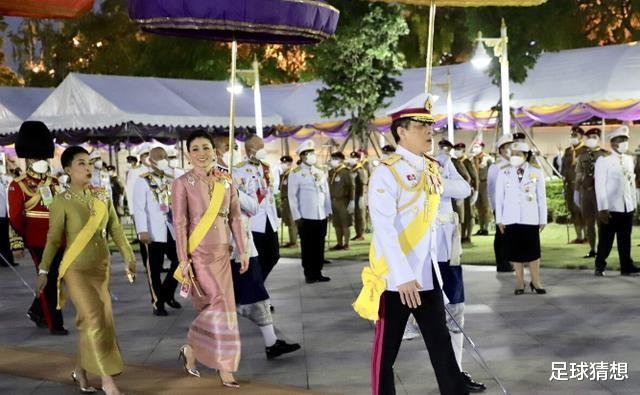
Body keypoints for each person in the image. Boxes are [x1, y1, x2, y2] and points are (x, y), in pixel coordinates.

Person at [353, 101, 468, 395]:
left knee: (441, 345)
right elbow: (384, 228)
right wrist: (402, 275)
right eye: (420, 127)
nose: (429, 132)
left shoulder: (430, 167)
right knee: (386, 354)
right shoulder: (386, 172)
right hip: (395, 279)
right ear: (401, 132)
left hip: (426, 275)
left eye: (430, 126)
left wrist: (447, 169)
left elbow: (455, 194)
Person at [36, 145, 136, 395]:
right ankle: (107, 380)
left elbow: (115, 229)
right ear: (68, 169)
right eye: (81, 163)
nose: (88, 167)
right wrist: (44, 270)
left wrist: (128, 255)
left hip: (101, 267)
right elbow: (52, 238)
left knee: (101, 320)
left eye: (89, 162)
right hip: (76, 268)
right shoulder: (61, 201)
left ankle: (81, 370)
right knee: (93, 318)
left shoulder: (102, 195)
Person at [172, 130, 248, 387]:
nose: (201, 153)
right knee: (217, 304)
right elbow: (180, 223)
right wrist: (183, 259)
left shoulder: (225, 180)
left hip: (223, 254)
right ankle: (213, 361)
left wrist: (243, 249)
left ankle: (212, 361)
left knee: (225, 310)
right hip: (199, 256)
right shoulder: (182, 183)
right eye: (195, 149)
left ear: (214, 151)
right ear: (188, 154)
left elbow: (236, 216)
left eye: (206, 147)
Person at [436, 137, 487, 393]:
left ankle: (454, 373)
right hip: (416, 260)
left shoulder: (442, 162)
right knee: (406, 326)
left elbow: (464, 189)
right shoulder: (397, 168)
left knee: (455, 314)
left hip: (447, 252)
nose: (428, 135)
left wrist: (437, 183)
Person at [8, 121, 67, 335]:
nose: (40, 161)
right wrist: (17, 243)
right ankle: (55, 323)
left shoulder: (54, 182)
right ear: (28, 158)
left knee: (59, 277)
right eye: (36, 157)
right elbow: (14, 218)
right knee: (50, 281)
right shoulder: (18, 184)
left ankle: (37, 310)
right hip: (36, 239)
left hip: (59, 237)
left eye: (42, 157)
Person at [133, 146, 181, 316]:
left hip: (170, 228)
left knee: (180, 262)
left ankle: (167, 293)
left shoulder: (170, 178)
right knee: (154, 268)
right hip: (152, 231)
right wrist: (142, 230)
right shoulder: (143, 180)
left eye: (165, 156)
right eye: (159, 157)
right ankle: (157, 302)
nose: (163, 160)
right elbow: (139, 208)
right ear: (151, 161)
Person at [495, 142, 547, 295]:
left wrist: (542, 218)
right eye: (513, 153)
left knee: (533, 252)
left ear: (526, 156)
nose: (515, 157)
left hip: (530, 218)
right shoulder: (503, 172)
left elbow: (541, 197)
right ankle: (519, 282)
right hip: (511, 218)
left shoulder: (536, 172)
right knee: (515, 251)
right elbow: (499, 198)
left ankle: (536, 281)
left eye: (519, 154)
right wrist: (499, 220)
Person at [594, 126, 640, 276]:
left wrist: (634, 202)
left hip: (626, 206)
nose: (625, 143)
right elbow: (599, 186)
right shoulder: (604, 160)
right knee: (606, 240)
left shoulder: (628, 159)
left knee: (625, 239)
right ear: (613, 142)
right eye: (621, 140)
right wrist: (602, 208)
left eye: (626, 140)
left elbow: (630, 182)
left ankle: (626, 265)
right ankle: (600, 265)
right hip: (611, 207)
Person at [235, 135, 280, 280]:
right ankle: (258, 294)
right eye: (259, 147)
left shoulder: (265, 167)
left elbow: (269, 195)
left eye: (263, 146)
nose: (263, 150)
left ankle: (258, 287)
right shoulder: (239, 170)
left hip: (268, 220)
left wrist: (275, 218)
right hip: (253, 221)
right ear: (249, 150)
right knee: (256, 260)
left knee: (273, 255)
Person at [288, 140, 332, 284]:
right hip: (305, 216)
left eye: (312, 153)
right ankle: (309, 273)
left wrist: (328, 210)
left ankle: (318, 272)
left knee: (319, 245)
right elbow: (292, 197)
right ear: (301, 157)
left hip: (320, 215)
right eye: (307, 154)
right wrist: (297, 216)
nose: (311, 156)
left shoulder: (319, 171)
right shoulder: (296, 173)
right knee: (308, 246)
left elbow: (326, 193)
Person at [575, 128, 608, 259]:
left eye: (594, 137)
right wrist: (576, 192)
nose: (591, 140)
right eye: (589, 137)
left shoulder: (604, 155)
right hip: (586, 193)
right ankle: (592, 249)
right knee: (589, 222)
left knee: (601, 222)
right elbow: (578, 174)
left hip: (599, 193)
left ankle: (602, 248)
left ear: (599, 139)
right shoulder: (582, 155)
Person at [487, 135, 514, 273]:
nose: (511, 149)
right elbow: (491, 188)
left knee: (509, 235)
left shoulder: (514, 165)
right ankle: (502, 263)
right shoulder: (496, 167)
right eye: (508, 147)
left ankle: (508, 261)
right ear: (502, 150)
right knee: (501, 235)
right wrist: (495, 207)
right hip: (501, 206)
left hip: (511, 205)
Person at [560, 126, 588, 244]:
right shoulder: (567, 151)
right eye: (571, 135)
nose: (573, 137)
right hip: (569, 186)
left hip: (582, 187)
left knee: (584, 211)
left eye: (575, 135)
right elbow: (563, 168)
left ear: (581, 137)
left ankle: (587, 236)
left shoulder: (586, 150)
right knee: (573, 211)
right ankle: (579, 237)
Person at [328, 152, 355, 250]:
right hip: (333, 200)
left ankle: (346, 244)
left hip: (343, 200)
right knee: (336, 224)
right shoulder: (331, 172)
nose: (333, 160)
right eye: (332, 158)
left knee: (345, 223)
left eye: (335, 158)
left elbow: (352, 187)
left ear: (341, 160)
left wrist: (352, 201)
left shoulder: (346, 172)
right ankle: (339, 243)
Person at [452, 143, 478, 243]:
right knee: (462, 214)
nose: (456, 151)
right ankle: (463, 236)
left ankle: (469, 236)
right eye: (456, 149)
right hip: (460, 191)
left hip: (468, 191)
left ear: (463, 150)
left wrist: (476, 191)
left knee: (470, 214)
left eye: (458, 149)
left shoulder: (467, 161)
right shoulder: (455, 161)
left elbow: (475, 177)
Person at [471, 142, 492, 236]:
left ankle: (486, 228)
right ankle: (481, 227)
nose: (475, 148)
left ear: (482, 147)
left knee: (486, 206)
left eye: (477, 146)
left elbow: (492, 171)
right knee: (478, 207)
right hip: (476, 185)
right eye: (474, 146)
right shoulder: (472, 159)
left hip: (485, 183)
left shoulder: (487, 158)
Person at [278, 155, 298, 248]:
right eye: (282, 163)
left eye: (284, 163)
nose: (283, 165)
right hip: (285, 201)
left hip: (291, 200)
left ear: (289, 164)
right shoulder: (283, 175)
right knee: (288, 222)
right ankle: (291, 241)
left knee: (292, 222)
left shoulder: (293, 174)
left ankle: (294, 242)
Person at [348, 151, 368, 241]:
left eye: (355, 158)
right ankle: (357, 233)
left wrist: (361, 197)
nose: (353, 160)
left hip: (360, 195)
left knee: (361, 215)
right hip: (354, 196)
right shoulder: (352, 170)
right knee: (356, 216)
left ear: (358, 159)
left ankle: (361, 234)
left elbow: (363, 183)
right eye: (352, 158)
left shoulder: (361, 170)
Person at [0, 162, 16, 267]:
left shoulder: (2, 181)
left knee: (5, 238)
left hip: (4, 213)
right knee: (2, 239)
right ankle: (5, 261)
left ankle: (9, 260)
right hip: (1, 214)